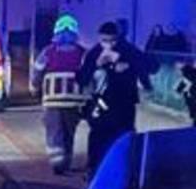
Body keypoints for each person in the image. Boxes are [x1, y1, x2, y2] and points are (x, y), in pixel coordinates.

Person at [78, 20, 153, 173]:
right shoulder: (93, 53)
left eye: (113, 41)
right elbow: (81, 78)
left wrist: (127, 64)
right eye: (104, 41)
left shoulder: (127, 50)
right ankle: (94, 171)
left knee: (124, 138)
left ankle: (125, 172)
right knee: (98, 138)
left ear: (118, 38)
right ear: (99, 39)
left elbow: (152, 66)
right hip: (100, 104)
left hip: (124, 104)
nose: (109, 45)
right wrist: (96, 65)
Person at [32, 14, 88, 173]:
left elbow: (37, 72)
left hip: (52, 102)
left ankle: (58, 165)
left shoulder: (47, 52)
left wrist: (35, 88)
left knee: (54, 135)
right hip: (73, 103)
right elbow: (90, 76)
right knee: (69, 135)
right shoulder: (82, 53)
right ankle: (65, 165)